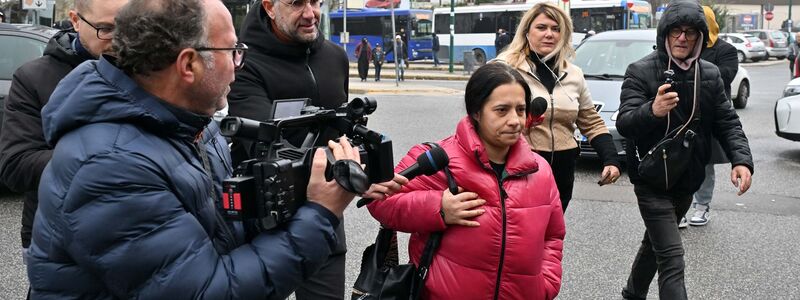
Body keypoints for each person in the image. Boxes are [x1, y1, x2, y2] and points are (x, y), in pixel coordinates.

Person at [26, 0, 405, 298]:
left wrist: (306, 194)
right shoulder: (110, 166)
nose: (239, 65)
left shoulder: (192, 124)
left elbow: (227, 228)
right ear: (188, 65)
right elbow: (208, 291)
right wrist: (320, 213)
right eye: (233, 51)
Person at [368, 63, 565, 299]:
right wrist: (438, 208)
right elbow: (380, 201)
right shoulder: (438, 159)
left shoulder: (540, 170)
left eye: (521, 110)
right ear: (476, 112)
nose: (515, 120)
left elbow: (553, 236)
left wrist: (546, 284)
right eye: (502, 110)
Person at [616, 1, 753, 298]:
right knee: (672, 257)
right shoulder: (640, 70)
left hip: (688, 177)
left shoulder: (711, 74)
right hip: (651, 178)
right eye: (676, 31)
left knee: (656, 245)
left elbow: (728, 122)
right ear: (665, 34)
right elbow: (625, 123)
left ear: (700, 38)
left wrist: (741, 160)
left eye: (690, 32)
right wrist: (652, 110)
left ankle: (632, 292)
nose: (682, 38)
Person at [226, 0, 351, 298]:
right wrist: (340, 173)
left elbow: (341, 131)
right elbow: (264, 146)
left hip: (325, 213)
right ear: (269, 6)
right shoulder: (243, 63)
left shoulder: (336, 57)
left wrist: (360, 169)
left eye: (315, 1)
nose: (310, 13)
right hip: (262, 217)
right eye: (296, 3)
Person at [0, 0, 128, 277]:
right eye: (106, 28)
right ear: (75, 20)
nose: (119, 40)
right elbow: (16, 165)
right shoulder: (33, 78)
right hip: (56, 236)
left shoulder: (148, 71)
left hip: (134, 232)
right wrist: (113, 161)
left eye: (130, 28)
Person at [494, 2, 621, 212]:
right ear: (526, 32)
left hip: (563, 170)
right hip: (519, 166)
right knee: (521, 232)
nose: (549, 34)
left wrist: (611, 159)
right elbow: (485, 119)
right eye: (541, 27)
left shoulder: (574, 73)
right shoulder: (504, 68)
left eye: (556, 29)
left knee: (553, 234)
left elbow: (591, 121)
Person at [679, 6, 740, 228]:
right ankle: (681, 207)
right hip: (683, 114)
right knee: (680, 162)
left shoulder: (726, 50)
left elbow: (724, 77)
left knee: (704, 163)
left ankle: (702, 206)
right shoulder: (685, 46)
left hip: (710, 116)